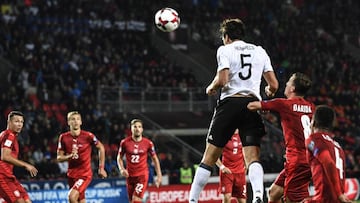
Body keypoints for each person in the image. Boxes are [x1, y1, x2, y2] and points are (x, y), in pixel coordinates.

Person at [188, 18, 279, 203]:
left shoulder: (225, 50)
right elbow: (274, 85)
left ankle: (192, 200)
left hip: (230, 103)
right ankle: (259, 197)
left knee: (209, 156)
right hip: (252, 105)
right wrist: (269, 92)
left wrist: (211, 87)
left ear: (226, 36)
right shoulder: (260, 51)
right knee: (252, 157)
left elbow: (222, 79)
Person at [247, 72, 315, 203]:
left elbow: (251, 106)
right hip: (304, 159)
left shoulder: (285, 104)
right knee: (273, 193)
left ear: (293, 89)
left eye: (289, 82)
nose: (286, 84)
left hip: (297, 161)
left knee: (291, 200)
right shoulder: (311, 107)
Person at [303, 105, 352, 203]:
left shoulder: (313, 140)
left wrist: (339, 194)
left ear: (314, 122)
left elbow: (328, 162)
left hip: (325, 199)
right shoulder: (337, 146)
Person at [57, 111, 107, 203]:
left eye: (78, 119)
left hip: (85, 174)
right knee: (81, 200)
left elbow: (101, 147)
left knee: (71, 197)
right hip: (71, 175)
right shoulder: (63, 137)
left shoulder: (88, 136)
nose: (76, 121)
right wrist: (70, 156)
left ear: (81, 122)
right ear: (68, 122)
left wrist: (101, 168)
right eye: (73, 119)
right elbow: (59, 158)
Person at [117, 119, 162, 203]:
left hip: (142, 176)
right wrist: (121, 169)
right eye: (135, 127)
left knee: (136, 200)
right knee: (131, 201)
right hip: (129, 176)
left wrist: (159, 175)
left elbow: (155, 159)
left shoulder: (148, 143)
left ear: (142, 129)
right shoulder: (124, 143)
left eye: (139, 127)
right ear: (131, 129)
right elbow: (119, 157)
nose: (137, 129)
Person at [0, 111, 38, 203]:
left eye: (21, 122)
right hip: (2, 177)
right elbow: (4, 156)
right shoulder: (9, 135)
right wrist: (26, 165)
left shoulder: (6, 135)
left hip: (9, 176)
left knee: (26, 200)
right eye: (16, 121)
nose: (20, 124)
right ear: (9, 122)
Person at [216, 129, 246, 203]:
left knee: (242, 200)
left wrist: (246, 166)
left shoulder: (244, 136)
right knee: (227, 198)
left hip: (240, 173)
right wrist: (222, 167)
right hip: (227, 173)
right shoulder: (224, 137)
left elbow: (247, 152)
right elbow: (213, 155)